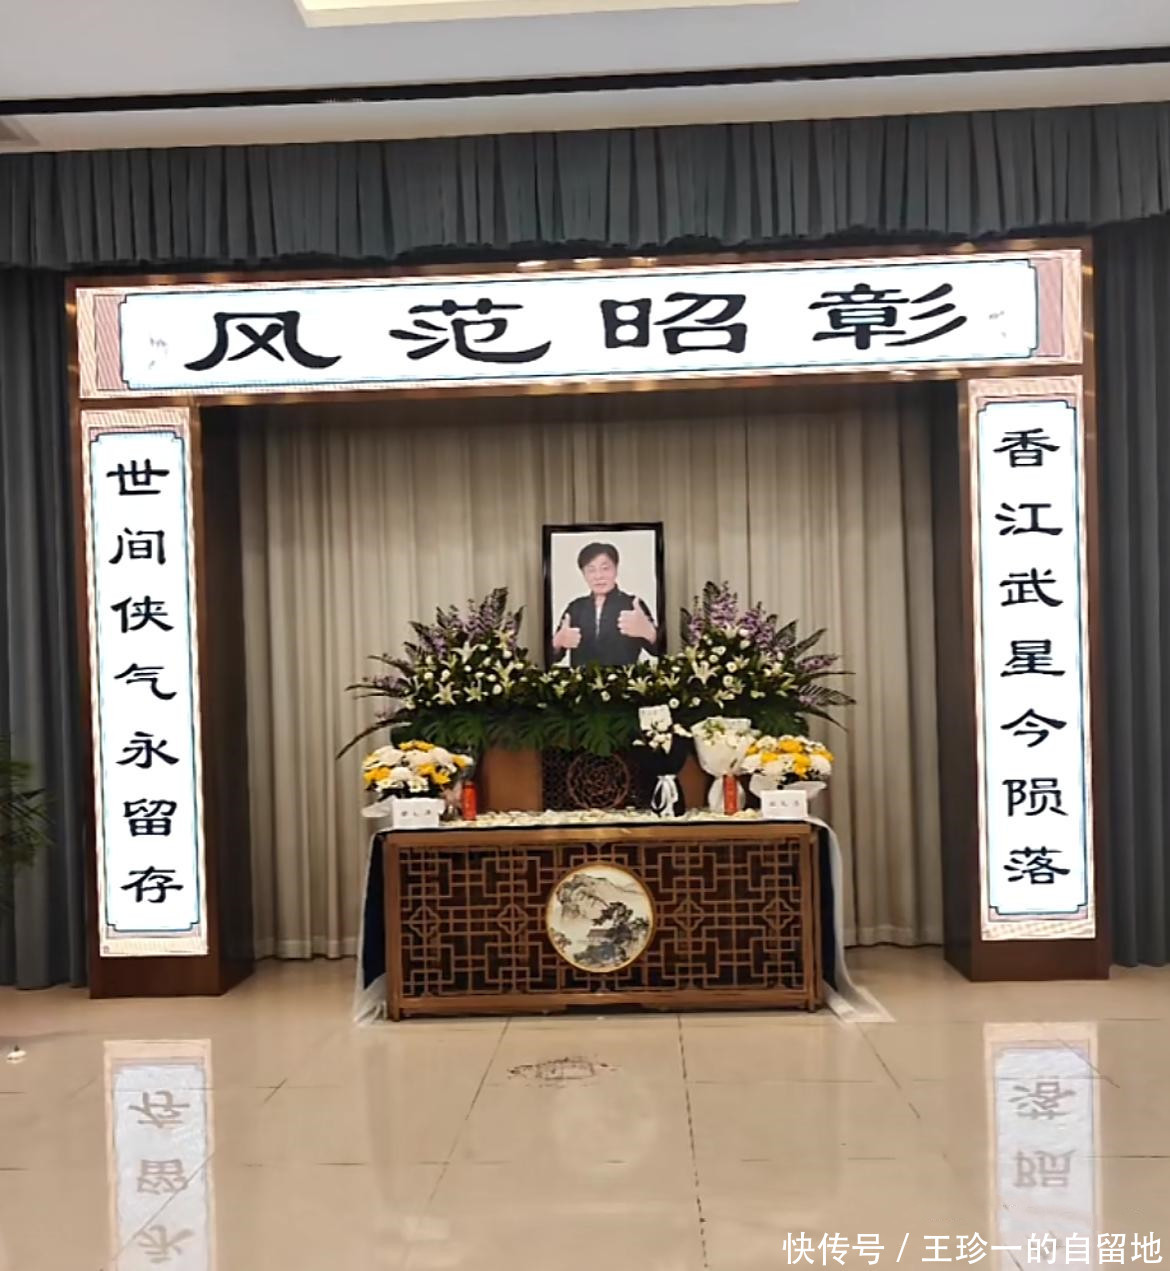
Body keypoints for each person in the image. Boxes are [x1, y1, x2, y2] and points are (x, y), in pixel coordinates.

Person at [550, 542, 658, 667]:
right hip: (582, 679)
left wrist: (650, 633)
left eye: (605, 568)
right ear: (583, 574)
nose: (598, 576)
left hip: (624, 678)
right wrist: (557, 642)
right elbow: (551, 656)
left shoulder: (633, 605)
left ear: (616, 569)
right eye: (591, 570)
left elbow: (660, 651)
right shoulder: (575, 608)